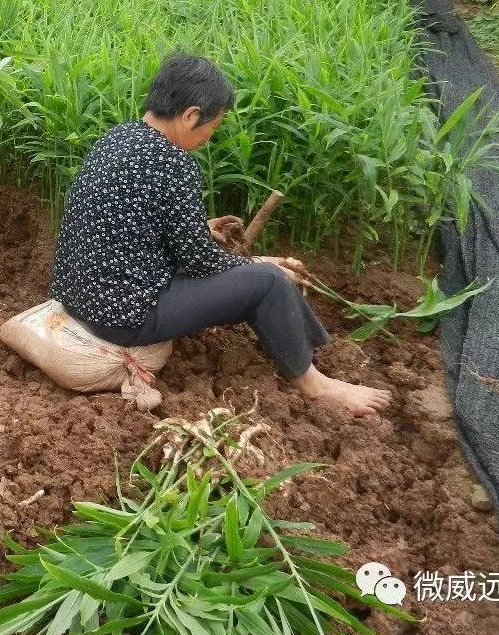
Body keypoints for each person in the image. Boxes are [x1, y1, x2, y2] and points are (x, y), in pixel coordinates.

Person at [49, 53, 392, 417]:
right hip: (125, 316)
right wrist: (256, 263)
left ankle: (313, 346)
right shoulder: (173, 162)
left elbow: (134, 220)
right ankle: (314, 383)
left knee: (259, 273)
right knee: (270, 283)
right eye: (213, 126)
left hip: (82, 297)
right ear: (190, 115)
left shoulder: (118, 138)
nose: (210, 136)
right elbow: (200, 262)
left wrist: (202, 229)